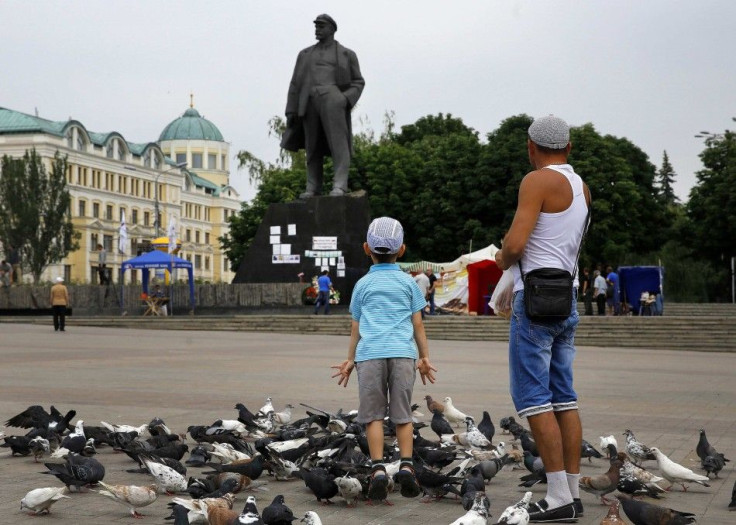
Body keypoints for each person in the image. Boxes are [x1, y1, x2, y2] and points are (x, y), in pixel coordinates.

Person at [494, 115, 590, 522]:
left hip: (534, 303)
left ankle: (557, 498)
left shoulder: (536, 182)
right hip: (566, 300)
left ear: (531, 147)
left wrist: (499, 259)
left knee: (534, 400)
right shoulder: (582, 187)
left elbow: (515, 244)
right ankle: (572, 490)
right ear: (568, 148)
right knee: (564, 398)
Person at [331, 216, 437, 504]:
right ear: (401, 250)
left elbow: (355, 327)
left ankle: (378, 470)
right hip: (403, 355)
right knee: (403, 415)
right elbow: (418, 325)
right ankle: (406, 465)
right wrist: (425, 357)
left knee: (373, 416)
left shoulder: (362, 285)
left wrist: (349, 360)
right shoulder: (409, 283)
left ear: (367, 248)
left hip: (370, 356)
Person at [282, 14, 365, 199]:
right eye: (316, 26)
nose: (317, 29)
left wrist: (345, 99)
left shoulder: (346, 54)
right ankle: (313, 187)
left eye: (321, 26)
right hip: (309, 102)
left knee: (339, 145)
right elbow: (295, 83)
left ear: (332, 29)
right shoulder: (304, 54)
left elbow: (358, 82)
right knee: (312, 147)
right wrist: (291, 109)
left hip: (333, 99)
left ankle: (340, 185)